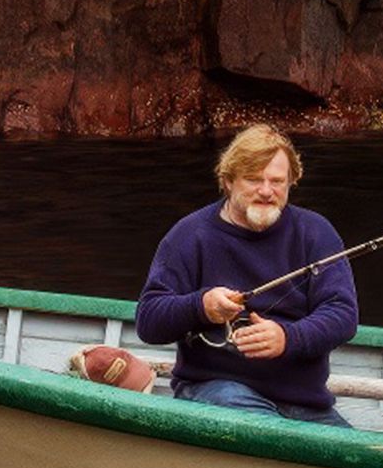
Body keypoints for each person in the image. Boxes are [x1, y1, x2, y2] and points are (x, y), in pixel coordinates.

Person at [136, 124, 358, 426]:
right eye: (254, 180)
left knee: (356, 459)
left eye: (277, 181)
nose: (267, 191)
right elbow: (149, 322)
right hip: (213, 389)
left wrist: (288, 337)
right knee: (267, 432)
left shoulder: (316, 232)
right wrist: (201, 306)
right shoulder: (189, 235)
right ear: (228, 181)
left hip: (303, 402)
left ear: (292, 182)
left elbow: (343, 314)